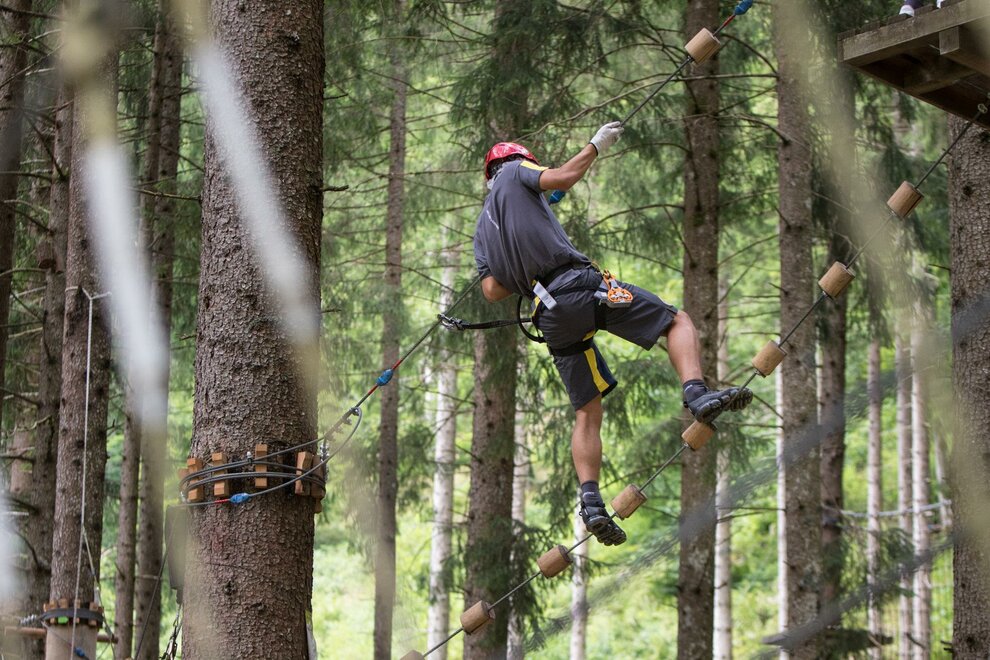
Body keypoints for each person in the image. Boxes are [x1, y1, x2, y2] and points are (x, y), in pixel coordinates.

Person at [473, 123, 753, 546]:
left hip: (548, 315)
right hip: (578, 287)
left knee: (587, 411)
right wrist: (595, 145)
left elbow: (492, 290)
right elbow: (563, 176)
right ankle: (696, 394)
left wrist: (524, 263)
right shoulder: (515, 172)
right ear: (517, 163)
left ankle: (591, 502)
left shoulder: (483, 228)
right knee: (677, 321)